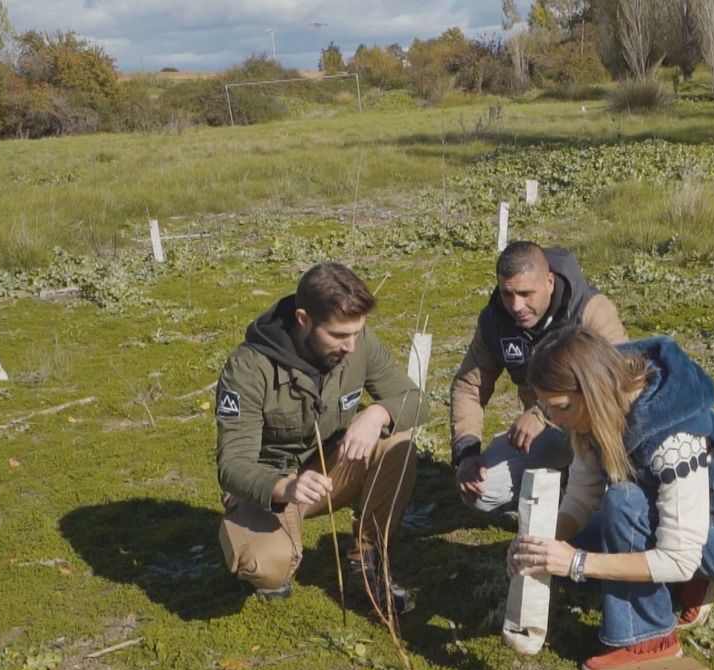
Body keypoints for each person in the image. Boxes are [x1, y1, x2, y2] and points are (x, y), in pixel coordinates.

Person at [509, 325, 714, 670]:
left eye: (562, 407)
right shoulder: (595, 415)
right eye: (548, 408)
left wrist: (576, 562)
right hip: (681, 515)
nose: (554, 419)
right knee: (584, 535)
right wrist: (540, 543)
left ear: (592, 392)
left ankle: (649, 639)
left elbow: (679, 557)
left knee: (623, 503)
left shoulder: (674, 436)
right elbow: (583, 495)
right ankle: (690, 585)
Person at [214, 262, 428, 617]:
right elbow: (232, 465)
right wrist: (285, 487)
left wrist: (378, 414)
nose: (350, 346)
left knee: (397, 444)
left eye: (357, 333)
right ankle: (254, 540)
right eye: (339, 335)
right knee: (268, 568)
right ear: (303, 319)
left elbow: (416, 400)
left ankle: (368, 560)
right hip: (273, 488)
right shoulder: (248, 368)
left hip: (332, 470)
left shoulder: (359, 344)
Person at [450, 241, 627, 513]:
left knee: (612, 501)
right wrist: (467, 449)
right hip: (551, 433)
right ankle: (561, 493)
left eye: (525, 293)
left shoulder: (590, 310)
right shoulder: (495, 321)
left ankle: (588, 496)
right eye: (507, 294)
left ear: (549, 282)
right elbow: (469, 387)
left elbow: (618, 377)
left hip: (596, 426)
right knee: (480, 492)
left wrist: (541, 412)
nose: (516, 305)